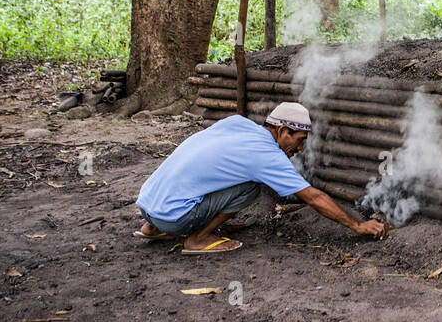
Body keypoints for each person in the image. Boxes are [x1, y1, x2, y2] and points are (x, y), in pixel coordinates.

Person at [135, 102, 385, 254]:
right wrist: (356, 225)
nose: (299, 150)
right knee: (251, 189)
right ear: (283, 131)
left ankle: (153, 228)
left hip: (147, 204)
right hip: (175, 217)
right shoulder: (266, 155)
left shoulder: (236, 123)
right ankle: (198, 239)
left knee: (222, 177)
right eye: (299, 141)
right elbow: (312, 196)